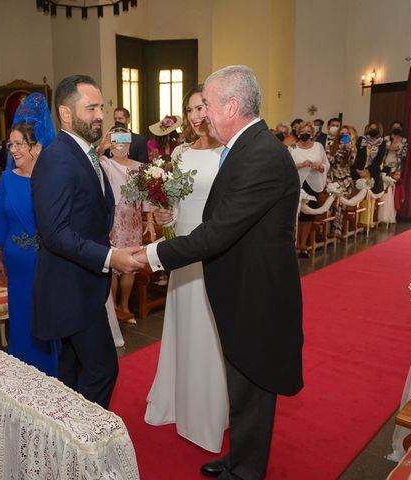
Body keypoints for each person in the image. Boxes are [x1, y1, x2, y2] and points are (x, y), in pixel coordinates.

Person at [136, 65, 303, 479]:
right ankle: (240, 458)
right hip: (241, 287)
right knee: (240, 384)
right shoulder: (245, 146)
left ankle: (247, 472)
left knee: (253, 385)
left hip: (258, 294)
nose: (202, 114)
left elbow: (217, 232)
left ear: (231, 105)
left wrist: (148, 255)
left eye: (207, 104)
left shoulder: (262, 154)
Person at [30, 74, 143, 408]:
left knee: (73, 370)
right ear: (66, 114)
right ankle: (86, 446)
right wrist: (111, 257)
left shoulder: (84, 154)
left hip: (84, 284)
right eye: (91, 107)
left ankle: (65, 443)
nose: (100, 115)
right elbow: (55, 233)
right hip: (71, 289)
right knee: (102, 370)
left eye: (101, 107)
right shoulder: (57, 158)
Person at [144, 84, 229, 453]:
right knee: (183, 325)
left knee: (209, 326)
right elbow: (174, 205)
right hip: (182, 247)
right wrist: (167, 213)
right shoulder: (178, 153)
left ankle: (209, 409)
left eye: (201, 108)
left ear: (215, 110)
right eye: (190, 110)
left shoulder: (229, 152)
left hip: (215, 249)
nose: (196, 117)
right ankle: (177, 401)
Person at [0, 94, 59, 376]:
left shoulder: (51, 179)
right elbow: (0, 220)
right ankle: (23, 372)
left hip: (44, 264)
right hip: (15, 265)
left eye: (20, 143)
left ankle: (50, 371)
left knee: (44, 317)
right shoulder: (7, 178)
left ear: (37, 146)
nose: (14, 149)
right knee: (20, 317)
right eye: (11, 143)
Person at [98, 125, 145, 322]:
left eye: (124, 139)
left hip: (134, 218)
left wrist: (149, 219)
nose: (120, 144)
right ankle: (114, 308)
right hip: (115, 218)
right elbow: (90, 161)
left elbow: (146, 196)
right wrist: (102, 145)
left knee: (131, 264)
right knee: (114, 265)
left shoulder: (139, 166)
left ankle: (125, 306)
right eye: (116, 139)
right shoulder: (105, 163)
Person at [288, 121, 330, 257]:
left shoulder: (318, 146)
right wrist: (301, 165)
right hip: (297, 184)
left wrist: (319, 167)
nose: (305, 134)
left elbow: (326, 164)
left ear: (312, 134)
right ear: (298, 133)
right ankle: (293, 244)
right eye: (303, 132)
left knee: (308, 215)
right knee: (297, 215)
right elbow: (286, 167)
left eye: (308, 132)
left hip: (313, 184)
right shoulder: (292, 148)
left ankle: (303, 245)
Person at [327, 125, 357, 237]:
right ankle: (327, 230)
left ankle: (337, 230)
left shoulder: (352, 148)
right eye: (342, 133)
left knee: (340, 206)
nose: (344, 135)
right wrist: (339, 149)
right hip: (332, 178)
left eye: (347, 134)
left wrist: (347, 149)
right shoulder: (330, 147)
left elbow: (351, 162)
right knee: (330, 206)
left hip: (344, 181)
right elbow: (331, 161)